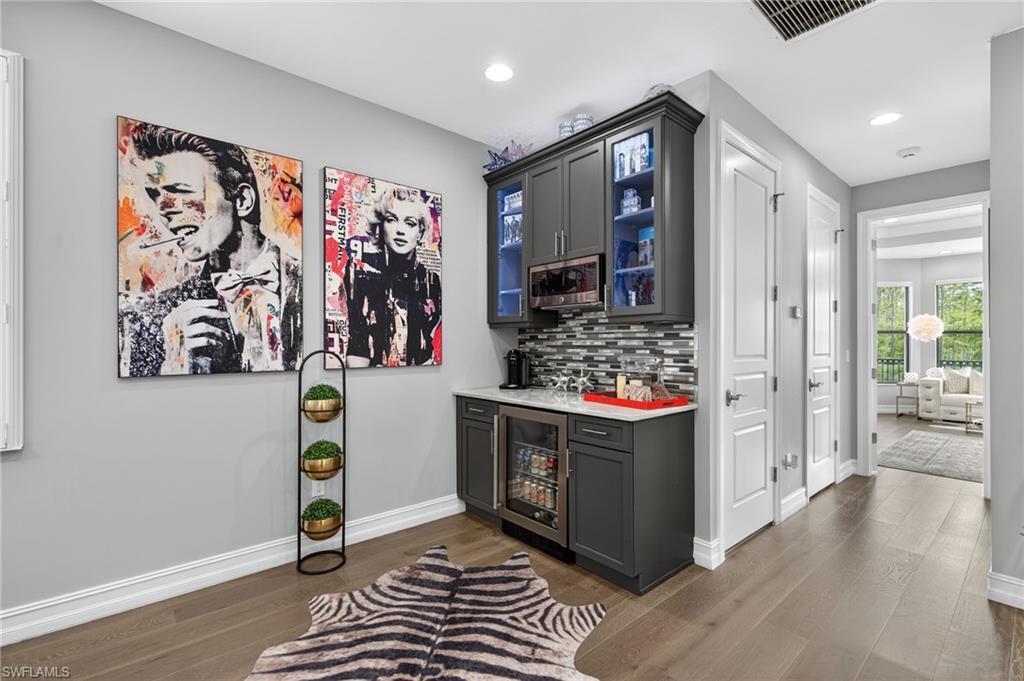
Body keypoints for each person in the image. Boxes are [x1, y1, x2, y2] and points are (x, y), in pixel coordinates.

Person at [118, 123, 302, 375]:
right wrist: (174, 364)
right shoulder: (156, 318)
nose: (164, 209)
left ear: (242, 200)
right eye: (155, 196)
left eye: (181, 191)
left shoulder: (317, 285)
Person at [342, 185, 441, 367]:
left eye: (409, 223)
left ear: (420, 232)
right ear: (380, 226)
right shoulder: (360, 272)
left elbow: (427, 348)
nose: (400, 230)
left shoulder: (431, 280)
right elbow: (358, 344)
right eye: (392, 220)